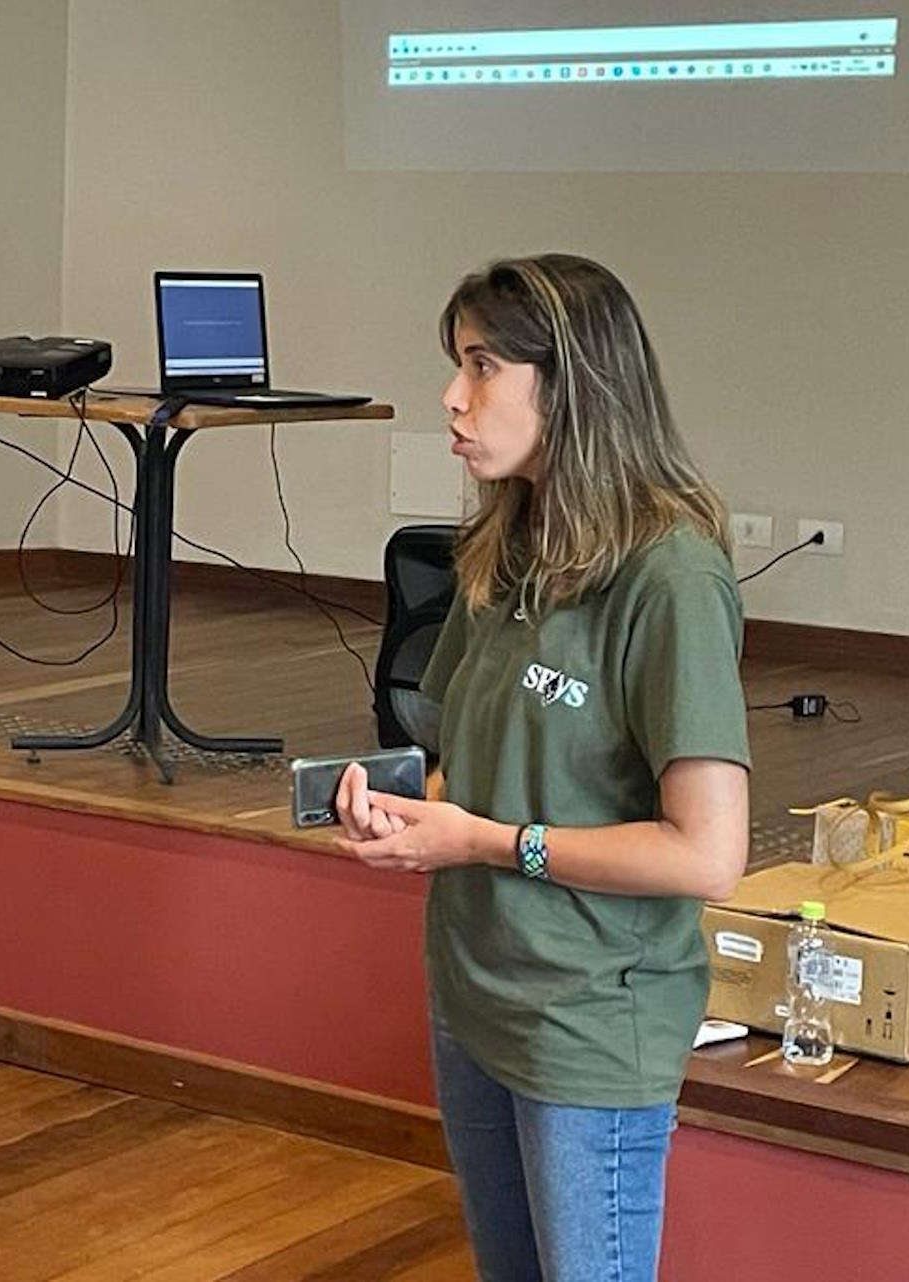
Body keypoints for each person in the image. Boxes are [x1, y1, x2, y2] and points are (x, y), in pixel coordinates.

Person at [334, 254, 750, 1282]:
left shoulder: (671, 575)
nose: (450, 397)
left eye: (481, 367)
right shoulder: (502, 550)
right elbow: (473, 781)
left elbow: (708, 853)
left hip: (589, 1021)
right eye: (455, 365)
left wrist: (481, 841)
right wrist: (411, 812)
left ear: (571, 383)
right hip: (475, 994)